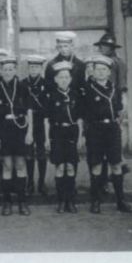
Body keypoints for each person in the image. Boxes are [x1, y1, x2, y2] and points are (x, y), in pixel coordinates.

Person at [80, 55, 132, 213]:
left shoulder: (114, 89)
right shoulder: (87, 89)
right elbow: (83, 113)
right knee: (96, 165)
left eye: (104, 70)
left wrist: (118, 122)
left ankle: (121, 201)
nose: (101, 72)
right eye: (98, 69)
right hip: (95, 130)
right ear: (93, 72)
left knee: (116, 165)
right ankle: (95, 202)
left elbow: (119, 109)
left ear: (109, 72)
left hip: (112, 129)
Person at [0, 55, 33, 216]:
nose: (8, 72)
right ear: (1, 71)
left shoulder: (23, 87)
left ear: (15, 70)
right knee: (7, 165)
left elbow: (29, 111)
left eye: (10, 69)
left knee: (20, 165)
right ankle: (7, 202)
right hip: (4, 130)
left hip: (20, 129)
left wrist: (29, 132)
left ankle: (22, 202)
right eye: (5, 69)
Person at [44, 62, 85, 212]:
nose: (64, 80)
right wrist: (47, 139)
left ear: (70, 79)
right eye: (60, 77)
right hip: (57, 133)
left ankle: (71, 201)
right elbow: (46, 120)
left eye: (66, 77)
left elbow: (80, 118)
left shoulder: (76, 95)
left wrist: (80, 137)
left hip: (72, 133)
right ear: (55, 79)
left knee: (71, 167)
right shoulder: (51, 96)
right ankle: (61, 201)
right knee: (60, 167)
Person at [23, 54, 50, 195]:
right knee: (28, 153)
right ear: (28, 68)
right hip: (26, 123)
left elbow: (47, 108)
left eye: (37, 67)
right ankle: (30, 182)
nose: (34, 69)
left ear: (41, 68)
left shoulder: (46, 84)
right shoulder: (23, 83)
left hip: (41, 121)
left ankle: (41, 182)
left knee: (41, 153)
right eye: (31, 66)